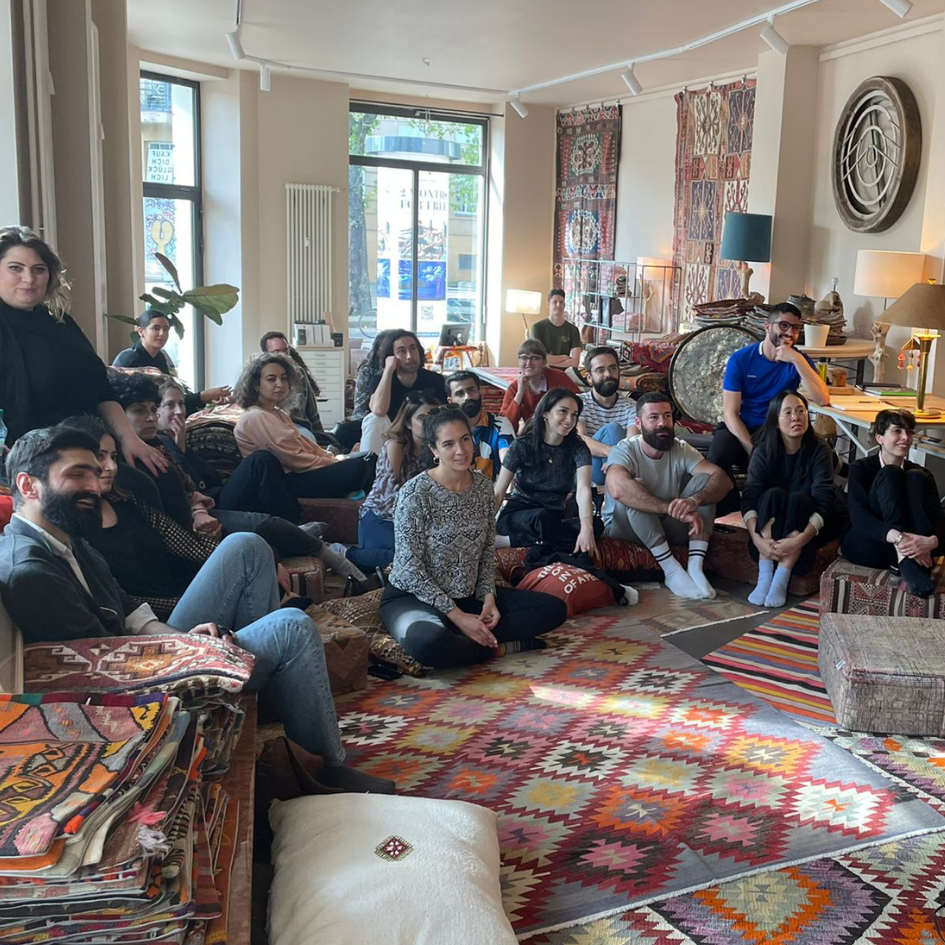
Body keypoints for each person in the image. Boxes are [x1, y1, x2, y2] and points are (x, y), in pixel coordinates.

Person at [0, 425, 391, 793]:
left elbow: (132, 613)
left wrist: (186, 641)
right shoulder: (31, 572)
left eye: (94, 471)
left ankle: (268, 694)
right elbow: (98, 672)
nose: (93, 484)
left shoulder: (68, 537)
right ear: (28, 486)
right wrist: (192, 656)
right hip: (131, 691)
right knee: (291, 626)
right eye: (77, 474)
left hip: (142, 657)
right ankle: (325, 771)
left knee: (245, 544)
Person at [64, 412, 366, 589]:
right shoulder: (77, 526)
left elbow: (189, 511)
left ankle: (298, 543)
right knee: (258, 530)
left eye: (112, 456)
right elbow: (126, 602)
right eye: (98, 458)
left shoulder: (132, 494)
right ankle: (316, 547)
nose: (109, 466)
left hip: (202, 512)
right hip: (167, 602)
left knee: (258, 550)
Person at [380, 406, 568, 669]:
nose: (460, 450)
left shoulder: (482, 487)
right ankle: (499, 646)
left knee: (554, 609)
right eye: (448, 444)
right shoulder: (415, 494)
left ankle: (466, 640)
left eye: (465, 439)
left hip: (469, 595)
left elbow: (486, 550)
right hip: (414, 596)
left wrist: (489, 598)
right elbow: (410, 570)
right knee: (429, 642)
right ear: (434, 450)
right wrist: (457, 616)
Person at [0, 225, 165, 474]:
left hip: (95, 446)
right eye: (15, 268)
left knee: (157, 475)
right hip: (35, 461)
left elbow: (101, 388)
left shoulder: (61, 322)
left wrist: (131, 440)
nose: (29, 279)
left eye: (38, 269)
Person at [603, 392, 731, 600]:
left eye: (667, 416)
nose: (662, 423)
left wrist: (694, 501)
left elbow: (723, 480)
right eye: (653, 417)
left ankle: (695, 566)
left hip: (668, 526)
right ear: (639, 423)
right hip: (626, 528)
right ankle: (671, 570)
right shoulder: (624, 449)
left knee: (706, 481)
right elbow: (618, 489)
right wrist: (670, 508)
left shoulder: (681, 448)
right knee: (633, 486)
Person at [708, 303, 830, 509]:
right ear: (767, 327)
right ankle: (729, 509)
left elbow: (822, 399)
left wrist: (797, 359)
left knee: (789, 461)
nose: (789, 332)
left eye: (795, 328)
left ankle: (775, 510)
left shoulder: (798, 360)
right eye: (783, 325)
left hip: (776, 427)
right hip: (742, 426)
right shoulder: (741, 359)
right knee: (718, 455)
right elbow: (730, 413)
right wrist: (752, 449)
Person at [741, 390, 844, 607]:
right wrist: (758, 540)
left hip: (811, 524)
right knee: (772, 495)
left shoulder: (820, 449)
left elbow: (824, 499)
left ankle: (781, 578)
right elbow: (750, 496)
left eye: (801, 411)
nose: (796, 417)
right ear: (776, 421)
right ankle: (764, 577)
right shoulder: (763, 450)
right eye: (787, 413)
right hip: (770, 526)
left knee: (798, 499)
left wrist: (799, 540)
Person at [233, 353, 374, 503]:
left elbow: (307, 447)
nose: (280, 384)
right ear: (256, 385)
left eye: (284, 378)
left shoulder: (277, 413)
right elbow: (294, 458)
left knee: (369, 459)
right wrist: (334, 463)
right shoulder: (256, 416)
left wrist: (333, 458)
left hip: (302, 472)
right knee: (359, 467)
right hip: (288, 480)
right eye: (271, 379)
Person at [842, 408, 945, 597]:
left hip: (916, 546)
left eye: (909, 432)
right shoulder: (860, 469)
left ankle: (910, 558)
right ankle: (906, 559)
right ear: (879, 438)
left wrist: (930, 541)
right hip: (874, 543)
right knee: (890, 473)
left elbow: (938, 518)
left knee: (916, 477)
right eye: (897, 431)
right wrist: (899, 538)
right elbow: (860, 517)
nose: (905, 437)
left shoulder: (922, 474)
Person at [494, 387, 599, 556]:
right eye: (563, 412)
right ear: (545, 413)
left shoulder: (578, 448)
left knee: (596, 525)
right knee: (542, 518)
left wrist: (587, 527)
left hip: (554, 517)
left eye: (574, 415)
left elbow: (583, 489)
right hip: (519, 515)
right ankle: (512, 541)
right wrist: (484, 528)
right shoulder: (522, 446)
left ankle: (539, 543)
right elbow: (499, 492)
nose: (569, 420)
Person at [340, 392, 437, 571]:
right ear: (408, 423)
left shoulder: (437, 450)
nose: (429, 423)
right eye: (422, 418)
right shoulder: (396, 446)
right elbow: (393, 497)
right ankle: (345, 554)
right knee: (404, 557)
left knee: (429, 557)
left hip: (418, 522)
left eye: (433, 417)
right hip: (382, 516)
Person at [112, 309, 231, 413]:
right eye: (156, 328)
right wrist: (201, 397)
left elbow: (168, 397)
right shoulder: (128, 359)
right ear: (140, 331)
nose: (162, 334)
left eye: (166, 329)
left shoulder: (160, 358)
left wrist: (206, 398)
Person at [363, 330, 447, 454]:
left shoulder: (435, 379)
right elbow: (378, 410)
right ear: (391, 356)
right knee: (374, 419)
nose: (409, 356)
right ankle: (367, 463)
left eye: (413, 348)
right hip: (391, 433)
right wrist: (388, 370)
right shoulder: (380, 380)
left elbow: (443, 414)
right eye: (402, 351)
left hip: (425, 431)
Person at [576, 346, 637, 486]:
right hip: (587, 469)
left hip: (623, 467)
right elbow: (580, 439)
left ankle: (614, 486)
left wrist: (616, 458)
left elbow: (632, 443)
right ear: (589, 378)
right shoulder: (579, 402)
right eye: (600, 370)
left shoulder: (631, 406)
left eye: (613, 368)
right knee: (612, 429)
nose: (608, 374)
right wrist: (613, 453)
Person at [445, 370, 513, 481]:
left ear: (480, 392)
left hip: (494, 489)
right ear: (450, 401)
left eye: (471, 390)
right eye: (460, 393)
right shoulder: (445, 430)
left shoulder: (499, 424)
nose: (467, 397)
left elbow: (508, 461)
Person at [500, 339, 579, 432]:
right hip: (532, 434)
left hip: (561, 432)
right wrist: (519, 394)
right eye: (524, 358)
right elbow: (505, 427)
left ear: (544, 362)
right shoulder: (514, 388)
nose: (528, 363)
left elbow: (580, 402)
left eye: (535, 358)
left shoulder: (559, 378)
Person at [260, 330, 324, 435]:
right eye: (276, 352)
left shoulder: (299, 374)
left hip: (298, 427)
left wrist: (321, 436)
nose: (283, 355)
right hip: (271, 426)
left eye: (286, 350)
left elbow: (312, 412)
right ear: (266, 354)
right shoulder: (259, 376)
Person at [528, 288, 582, 369]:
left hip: (564, 373)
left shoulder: (573, 330)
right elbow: (537, 358)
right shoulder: (537, 328)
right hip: (541, 372)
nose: (558, 305)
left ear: (564, 305)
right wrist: (564, 357)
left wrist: (550, 363)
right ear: (548, 304)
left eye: (561, 302)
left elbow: (575, 362)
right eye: (555, 302)